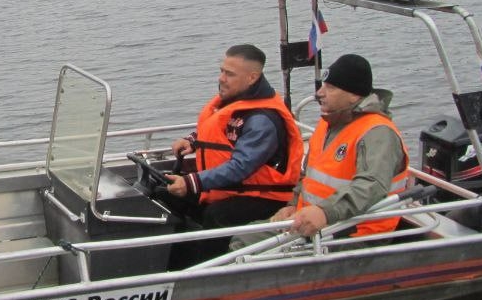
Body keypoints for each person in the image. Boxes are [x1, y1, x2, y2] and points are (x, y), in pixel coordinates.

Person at [162, 44, 303, 268]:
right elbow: (219, 130)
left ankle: (207, 272)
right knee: (165, 195)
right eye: (221, 71)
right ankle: (171, 262)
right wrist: (192, 140)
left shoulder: (262, 119)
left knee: (217, 215)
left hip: (263, 197)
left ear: (252, 77)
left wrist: (193, 182)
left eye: (229, 74)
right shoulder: (235, 101)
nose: (222, 79)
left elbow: (240, 167)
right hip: (231, 187)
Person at [274, 53, 409, 240]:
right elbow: (308, 176)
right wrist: (292, 205)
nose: (319, 93)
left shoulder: (378, 133)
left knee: (242, 248)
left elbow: (371, 186)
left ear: (354, 95)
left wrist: (324, 212)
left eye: (330, 87)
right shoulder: (328, 124)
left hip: (354, 234)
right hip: (310, 225)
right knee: (242, 237)